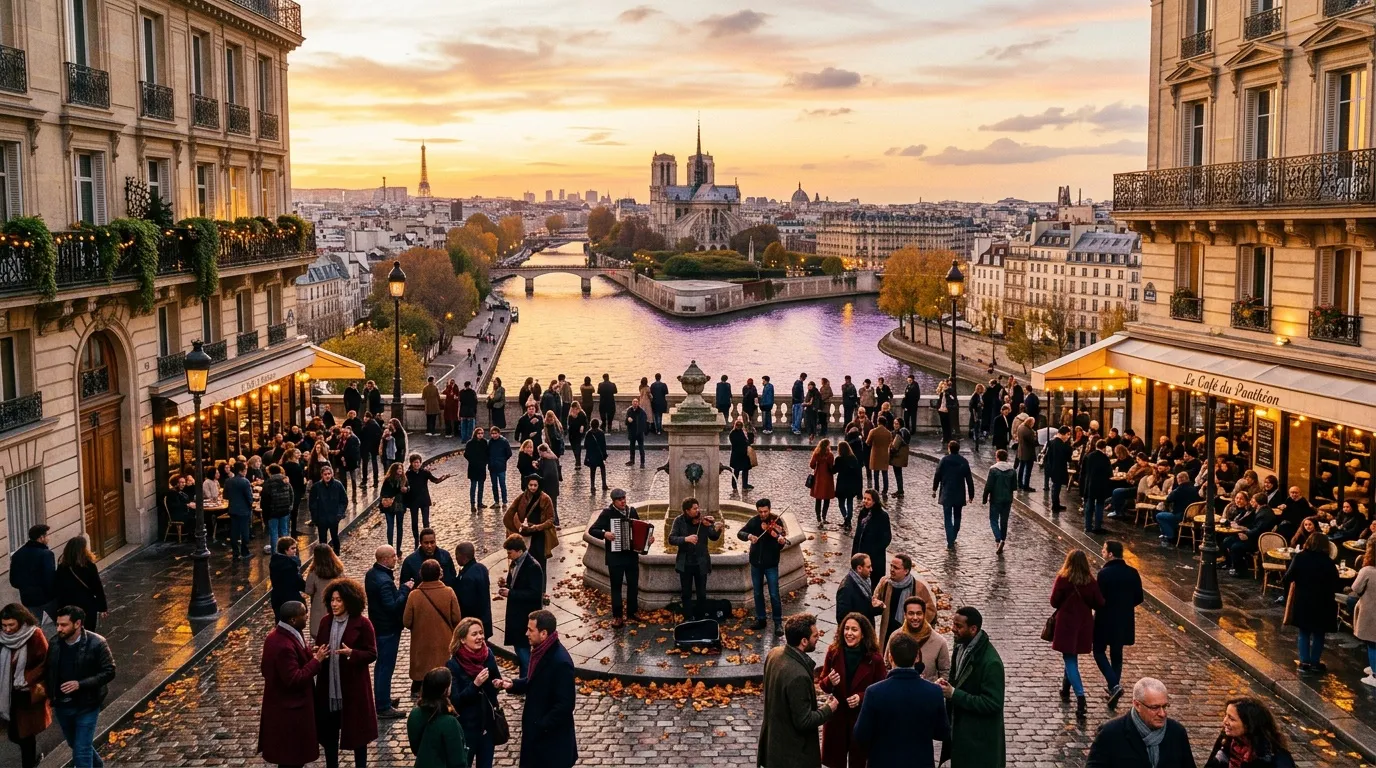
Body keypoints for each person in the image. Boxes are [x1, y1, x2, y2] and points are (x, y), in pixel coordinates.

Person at [493, 609, 577, 768]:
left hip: (551, 745)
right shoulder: (541, 652)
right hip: (538, 739)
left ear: (543, 633)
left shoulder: (561, 662)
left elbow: (565, 705)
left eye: (530, 630)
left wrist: (540, 725)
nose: (526, 633)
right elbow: (536, 682)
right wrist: (514, 684)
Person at [854, 631, 948, 768]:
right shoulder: (934, 692)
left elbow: (861, 734)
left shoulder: (874, 692)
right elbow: (942, 732)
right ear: (917, 657)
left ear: (890, 657)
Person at [313, 578, 379, 768]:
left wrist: (353, 653)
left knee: (358, 735)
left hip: (353, 689)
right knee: (329, 735)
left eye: (339, 600)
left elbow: (372, 653)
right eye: (332, 600)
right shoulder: (325, 622)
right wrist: (318, 652)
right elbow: (320, 645)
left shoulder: (363, 623)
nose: (334, 604)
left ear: (349, 601)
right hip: (328, 688)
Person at [758, 613, 836, 768]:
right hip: (793, 756)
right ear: (804, 641)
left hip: (773, 747)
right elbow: (804, 721)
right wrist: (828, 709)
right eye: (815, 636)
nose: (818, 638)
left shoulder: (774, 654)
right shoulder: (799, 676)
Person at [259, 601, 326, 768]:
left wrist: (309, 653)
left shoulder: (282, 635)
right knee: (292, 760)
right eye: (304, 614)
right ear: (293, 620)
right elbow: (294, 679)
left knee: (291, 759)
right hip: (290, 712)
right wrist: (316, 661)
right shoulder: (283, 645)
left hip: (285, 708)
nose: (307, 616)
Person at [47, 606, 115, 768]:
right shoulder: (55, 643)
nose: (59, 629)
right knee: (75, 744)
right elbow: (49, 671)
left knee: (81, 750)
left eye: (64, 625)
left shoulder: (97, 643)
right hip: (63, 705)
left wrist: (80, 684)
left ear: (77, 624)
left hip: (87, 704)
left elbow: (109, 671)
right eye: (58, 624)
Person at [937, 606, 1005, 768]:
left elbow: (992, 703)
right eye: (953, 624)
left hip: (979, 741)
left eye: (958, 626)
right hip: (962, 735)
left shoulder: (992, 663)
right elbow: (957, 679)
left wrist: (954, 694)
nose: (953, 629)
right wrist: (947, 685)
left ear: (973, 629)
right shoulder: (961, 646)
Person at [819, 612, 887, 768]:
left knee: (859, 762)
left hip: (861, 718)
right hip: (837, 718)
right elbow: (823, 685)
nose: (849, 633)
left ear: (863, 634)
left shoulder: (875, 659)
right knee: (835, 763)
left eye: (854, 629)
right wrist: (830, 681)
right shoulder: (833, 652)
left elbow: (881, 691)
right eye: (846, 628)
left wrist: (861, 697)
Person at [1086, 677, 1195, 768]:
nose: (1162, 714)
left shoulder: (1177, 732)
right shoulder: (1110, 734)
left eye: (1165, 706)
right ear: (1137, 705)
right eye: (1155, 707)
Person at [1049, 549, 1105, 717]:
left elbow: (1054, 602)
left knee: (1070, 658)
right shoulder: (1090, 581)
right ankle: (1065, 689)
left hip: (1066, 624)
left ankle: (1080, 697)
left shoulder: (1063, 579)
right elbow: (1099, 603)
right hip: (1083, 624)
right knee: (1071, 656)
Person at [364, 545, 414, 719]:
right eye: (393, 556)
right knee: (385, 667)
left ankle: (382, 698)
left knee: (381, 666)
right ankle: (383, 706)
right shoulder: (384, 581)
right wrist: (405, 589)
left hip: (379, 626)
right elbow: (392, 606)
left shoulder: (372, 574)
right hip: (387, 629)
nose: (395, 559)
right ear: (384, 559)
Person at [446, 617, 502, 768]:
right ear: (462, 639)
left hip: (487, 724)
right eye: (474, 634)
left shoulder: (488, 655)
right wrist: (475, 685)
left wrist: (498, 684)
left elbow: (495, 682)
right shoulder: (453, 665)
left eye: (481, 633)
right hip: (467, 727)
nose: (480, 637)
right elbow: (456, 701)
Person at [589, 489, 649, 626]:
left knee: (633, 585)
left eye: (624, 498)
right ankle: (617, 616)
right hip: (615, 558)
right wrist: (605, 534)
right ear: (614, 501)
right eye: (619, 499)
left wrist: (647, 540)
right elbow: (592, 530)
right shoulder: (607, 513)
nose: (623, 501)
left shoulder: (632, 511)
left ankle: (632, 612)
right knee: (616, 587)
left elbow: (640, 530)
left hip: (631, 556)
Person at [1282, 531, 1340, 672]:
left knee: (1304, 632)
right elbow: (1336, 583)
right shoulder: (1328, 562)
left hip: (1304, 599)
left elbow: (1287, 578)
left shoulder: (1300, 557)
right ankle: (1315, 662)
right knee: (1319, 633)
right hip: (1323, 601)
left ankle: (1304, 662)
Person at [0, 603, 50, 768]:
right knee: (14, 734)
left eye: (11, 625)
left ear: (21, 621)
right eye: (4, 625)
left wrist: (26, 679)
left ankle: (30, 763)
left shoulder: (34, 635)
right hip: (6, 691)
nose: (7, 629)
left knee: (25, 733)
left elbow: (45, 662)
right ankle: (34, 756)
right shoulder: (2, 637)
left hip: (26, 692)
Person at [403, 560, 463, 697]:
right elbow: (456, 618)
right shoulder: (449, 592)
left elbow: (406, 621)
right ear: (439, 574)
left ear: (421, 574)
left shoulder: (414, 595)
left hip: (421, 643)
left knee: (421, 670)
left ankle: (418, 691)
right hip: (444, 641)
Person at [1095, 540, 1143, 707]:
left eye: (1104, 549)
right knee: (1117, 655)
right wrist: (1125, 606)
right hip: (1124, 620)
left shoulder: (1103, 574)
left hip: (1105, 619)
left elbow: (1099, 598)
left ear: (1110, 554)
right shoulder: (1132, 572)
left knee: (1098, 651)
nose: (1102, 551)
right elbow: (1139, 597)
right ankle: (1113, 689)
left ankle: (1114, 685)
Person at [738, 498, 789, 633]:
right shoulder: (754, 521)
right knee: (757, 593)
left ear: (769, 509)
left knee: (774, 594)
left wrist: (780, 541)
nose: (763, 514)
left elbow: (780, 542)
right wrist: (749, 536)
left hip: (771, 564)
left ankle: (778, 622)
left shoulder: (776, 521)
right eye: (760, 512)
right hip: (756, 563)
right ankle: (761, 619)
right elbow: (740, 533)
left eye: (765, 511)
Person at [669, 497, 723, 620]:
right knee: (686, 593)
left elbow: (713, 537)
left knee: (702, 593)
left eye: (698, 508)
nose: (698, 510)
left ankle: (700, 617)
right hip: (685, 563)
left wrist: (718, 529)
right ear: (687, 511)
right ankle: (688, 618)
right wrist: (685, 539)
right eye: (695, 509)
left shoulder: (703, 521)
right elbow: (671, 539)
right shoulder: (679, 521)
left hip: (701, 562)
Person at [1203, 697, 1295, 768]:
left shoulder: (1273, 758)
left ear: (1248, 725)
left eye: (1232, 719)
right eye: (1226, 715)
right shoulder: (1227, 739)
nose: (1225, 721)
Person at [498, 536, 544, 676]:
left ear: (519, 551)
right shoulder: (515, 563)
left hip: (525, 615)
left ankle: (530, 676)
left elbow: (535, 594)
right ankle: (525, 678)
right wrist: (506, 585)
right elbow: (515, 584)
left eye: (510, 552)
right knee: (520, 647)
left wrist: (511, 593)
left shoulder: (533, 566)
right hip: (517, 614)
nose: (508, 555)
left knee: (522, 648)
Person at [407, 667, 469, 768]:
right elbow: (458, 760)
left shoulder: (414, 714)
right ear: (445, 690)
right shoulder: (449, 722)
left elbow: (416, 749)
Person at [873, 553, 937, 642]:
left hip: (909, 634)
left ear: (906, 571)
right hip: (888, 632)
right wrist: (877, 605)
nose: (891, 570)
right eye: (891, 566)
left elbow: (931, 611)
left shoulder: (919, 588)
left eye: (896, 568)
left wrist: (916, 622)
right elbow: (875, 600)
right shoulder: (885, 583)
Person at [886, 595, 950, 682]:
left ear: (924, 614)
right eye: (911, 613)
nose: (915, 618)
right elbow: (886, 665)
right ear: (905, 615)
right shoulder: (895, 637)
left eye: (919, 613)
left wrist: (936, 686)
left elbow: (945, 672)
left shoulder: (939, 642)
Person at [504, 475, 558, 576]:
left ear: (539, 485)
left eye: (535, 485)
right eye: (530, 485)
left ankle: (541, 585)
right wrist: (517, 527)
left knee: (540, 564)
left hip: (539, 536)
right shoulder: (522, 497)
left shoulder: (545, 498)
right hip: (525, 535)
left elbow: (551, 519)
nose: (532, 487)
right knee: (524, 564)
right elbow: (510, 514)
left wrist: (538, 527)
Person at [53, 537, 107, 634]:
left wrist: (59, 609)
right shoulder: (89, 566)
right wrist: (102, 607)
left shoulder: (62, 567)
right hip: (87, 605)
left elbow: (58, 589)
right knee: (88, 632)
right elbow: (97, 587)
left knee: (71, 632)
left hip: (68, 606)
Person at [932, 440, 976, 550]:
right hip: (959, 493)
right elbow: (969, 480)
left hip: (947, 492)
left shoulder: (944, 460)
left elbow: (937, 475)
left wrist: (934, 489)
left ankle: (950, 541)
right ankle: (953, 535)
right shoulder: (963, 461)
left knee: (947, 518)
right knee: (957, 516)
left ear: (949, 448)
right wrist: (971, 495)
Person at [9, 525, 55, 627]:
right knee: (63, 623)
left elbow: (13, 580)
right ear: (41, 538)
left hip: (28, 598)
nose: (48, 538)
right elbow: (49, 579)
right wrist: (51, 595)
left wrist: (25, 588)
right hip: (46, 598)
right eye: (47, 536)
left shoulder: (17, 554)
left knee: (34, 627)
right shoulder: (46, 554)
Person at [851, 491, 891, 591]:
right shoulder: (862, 513)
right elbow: (858, 534)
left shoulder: (882, 516)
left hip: (875, 558)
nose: (865, 501)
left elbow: (887, 538)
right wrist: (854, 554)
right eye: (864, 498)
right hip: (861, 556)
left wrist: (875, 550)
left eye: (868, 499)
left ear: (874, 501)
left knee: (874, 585)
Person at [453, 542, 492, 641]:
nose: (456, 558)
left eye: (456, 555)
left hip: (473, 625)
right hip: (485, 620)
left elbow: (466, 603)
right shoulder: (482, 568)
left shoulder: (467, 577)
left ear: (462, 556)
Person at [304, 543, 345, 631]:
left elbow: (308, 590)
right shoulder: (338, 570)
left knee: (320, 629)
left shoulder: (314, 573)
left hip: (319, 605)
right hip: (337, 603)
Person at [835, 554, 882, 628]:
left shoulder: (865, 581)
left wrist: (877, 607)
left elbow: (865, 608)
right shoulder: (846, 589)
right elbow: (842, 618)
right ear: (859, 568)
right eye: (868, 567)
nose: (871, 569)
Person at [310, 464, 349, 554]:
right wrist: (315, 518)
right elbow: (312, 504)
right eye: (325, 474)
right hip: (321, 518)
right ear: (322, 475)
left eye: (329, 474)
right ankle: (324, 556)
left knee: (335, 536)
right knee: (322, 539)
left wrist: (339, 514)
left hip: (334, 516)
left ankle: (336, 553)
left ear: (332, 474)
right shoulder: (316, 487)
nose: (327, 476)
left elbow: (344, 500)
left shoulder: (338, 485)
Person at [983, 449, 1016, 553]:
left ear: (997, 457)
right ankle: (1003, 539)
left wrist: (984, 498)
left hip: (995, 499)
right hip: (1007, 499)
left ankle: (998, 539)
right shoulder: (1012, 470)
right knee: (1004, 521)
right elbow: (1014, 486)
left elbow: (989, 485)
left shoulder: (993, 469)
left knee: (993, 519)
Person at [1354, 540, 1376, 688]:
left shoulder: (1367, 570)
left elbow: (1356, 588)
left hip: (1370, 610)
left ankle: (1374, 675)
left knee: (1372, 642)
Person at [1079, 440, 1113, 534]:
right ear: (1104, 448)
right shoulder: (1105, 458)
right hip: (1101, 484)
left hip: (1089, 484)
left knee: (1089, 505)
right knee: (1099, 505)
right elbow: (1109, 473)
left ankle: (1087, 526)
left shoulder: (1088, 456)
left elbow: (1083, 472)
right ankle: (1097, 527)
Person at [1157, 472, 1200, 544]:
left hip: (1180, 516)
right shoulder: (1194, 489)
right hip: (1193, 516)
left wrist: (1173, 491)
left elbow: (1168, 499)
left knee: (1159, 515)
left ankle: (1170, 536)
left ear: (1179, 480)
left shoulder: (1179, 490)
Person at [223, 461, 255, 559]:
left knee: (234, 531)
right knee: (245, 531)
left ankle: (235, 552)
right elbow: (249, 497)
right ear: (242, 470)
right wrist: (251, 505)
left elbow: (225, 495)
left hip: (233, 509)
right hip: (244, 510)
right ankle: (245, 551)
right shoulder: (245, 482)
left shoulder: (228, 481)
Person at [269, 537, 306, 618]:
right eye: (292, 548)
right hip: (290, 599)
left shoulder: (275, 561)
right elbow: (296, 581)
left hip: (277, 598)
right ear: (285, 550)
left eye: (295, 548)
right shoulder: (290, 565)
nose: (295, 550)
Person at [379, 461, 409, 552]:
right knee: (390, 527)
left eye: (401, 468)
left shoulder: (404, 479)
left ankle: (398, 549)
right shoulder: (388, 480)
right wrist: (398, 490)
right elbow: (383, 493)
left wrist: (407, 489)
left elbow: (408, 489)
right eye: (398, 468)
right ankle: (390, 548)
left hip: (400, 505)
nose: (400, 470)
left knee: (400, 527)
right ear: (394, 470)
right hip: (390, 506)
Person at [834, 440, 863, 529]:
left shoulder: (839, 459)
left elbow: (834, 470)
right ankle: (848, 520)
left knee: (841, 504)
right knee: (850, 503)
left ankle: (846, 518)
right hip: (851, 483)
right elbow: (857, 472)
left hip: (842, 483)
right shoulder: (853, 458)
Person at [1045, 426, 1073, 513]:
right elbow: (1068, 457)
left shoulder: (1052, 442)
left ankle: (1056, 503)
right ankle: (1055, 505)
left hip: (1052, 467)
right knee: (1056, 487)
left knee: (1055, 487)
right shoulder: (1061, 444)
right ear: (1063, 434)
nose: (1068, 437)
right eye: (1067, 434)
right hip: (1058, 468)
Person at [537, 443, 563, 526]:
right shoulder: (554, 458)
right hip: (555, 486)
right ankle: (556, 521)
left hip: (547, 486)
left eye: (540, 452)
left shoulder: (544, 460)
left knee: (548, 505)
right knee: (554, 504)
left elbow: (542, 472)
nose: (539, 454)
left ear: (542, 452)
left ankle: (551, 522)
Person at [486, 427, 512, 509]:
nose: (494, 435)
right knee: (494, 485)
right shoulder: (490, 442)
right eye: (492, 433)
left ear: (499, 433)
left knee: (502, 485)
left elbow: (509, 453)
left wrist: (503, 460)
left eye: (495, 433)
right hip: (492, 467)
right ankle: (496, 501)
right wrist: (490, 461)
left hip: (501, 467)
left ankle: (504, 501)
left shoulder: (504, 441)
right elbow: (487, 453)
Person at [464, 427, 490, 511]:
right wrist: (472, 461)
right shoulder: (470, 443)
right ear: (475, 434)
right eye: (479, 433)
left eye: (482, 433)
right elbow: (466, 454)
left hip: (482, 467)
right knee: (473, 487)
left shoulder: (484, 442)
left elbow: (487, 453)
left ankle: (480, 503)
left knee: (481, 487)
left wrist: (485, 462)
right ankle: (472, 504)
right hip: (473, 467)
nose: (480, 435)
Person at [865, 417, 892, 495]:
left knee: (876, 474)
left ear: (878, 422)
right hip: (885, 454)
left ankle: (876, 489)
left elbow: (867, 442)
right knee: (885, 473)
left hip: (875, 454)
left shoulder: (873, 431)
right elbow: (890, 443)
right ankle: (885, 490)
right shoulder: (888, 433)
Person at [1015, 413, 1039, 492]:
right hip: (1028, 453)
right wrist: (1036, 436)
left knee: (1021, 468)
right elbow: (1034, 442)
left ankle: (1019, 483)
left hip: (1021, 451)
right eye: (1033, 423)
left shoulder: (1020, 427)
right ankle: (1026, 485)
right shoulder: (1029, 432)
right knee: (1028, 470)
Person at [584, 418, 609, 492]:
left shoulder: (588, 433)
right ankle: (604, 484)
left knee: (592, 471)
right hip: (600, 455)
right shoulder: (601, 433)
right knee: (602, 469)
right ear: (598, 425)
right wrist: (604, 456)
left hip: (592, 455)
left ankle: (592, 486)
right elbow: (603, 445)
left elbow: (585, 445)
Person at [729, 419, 755, 491]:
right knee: (738, 471)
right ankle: (737, 486)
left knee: (743, 471)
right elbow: (743, 442)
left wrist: (750, 434)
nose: (739, 426)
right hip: (739, 455)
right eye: (738, 425)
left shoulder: (739, 433)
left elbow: (748, 441)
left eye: (740, 425)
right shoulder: (734, 434)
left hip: (741, 455)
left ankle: (743, 485)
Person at [625, 397, 648, 467]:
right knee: (632, 447)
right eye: (634, 402)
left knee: (641, 448)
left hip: (639, 433)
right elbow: (626, 422)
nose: (635, 403)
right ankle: (632, 460)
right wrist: (628, 420)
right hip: (632, 432)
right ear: (632, 403)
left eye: (636, 402)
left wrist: (642, 430)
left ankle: (642, 462)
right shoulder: (629, 411)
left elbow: (644, 421)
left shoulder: (641, 412)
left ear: (638, 403)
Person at [565, 403, 589, 469]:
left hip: (579, 433)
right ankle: (577, 460)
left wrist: (582, 427)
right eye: (573, 409)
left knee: (577, 446)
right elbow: (569, 424)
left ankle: (578, 462)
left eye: (576, 409)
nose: (574, 410)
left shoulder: (582, 414)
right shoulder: (570, 415)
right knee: (574, 447)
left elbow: (585, 423)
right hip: (572, 434)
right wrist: (573, 417)